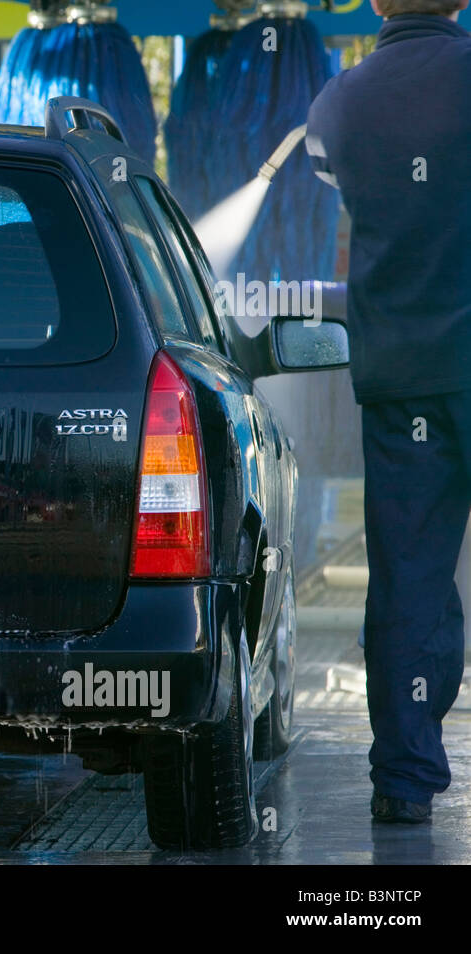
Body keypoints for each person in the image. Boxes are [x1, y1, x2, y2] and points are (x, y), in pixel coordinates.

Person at [306, 0, 471, 823]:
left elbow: (332, 178)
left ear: (375, 2)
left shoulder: (338, 101)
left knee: (407, 583)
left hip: (402, 374)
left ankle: (404, 783)